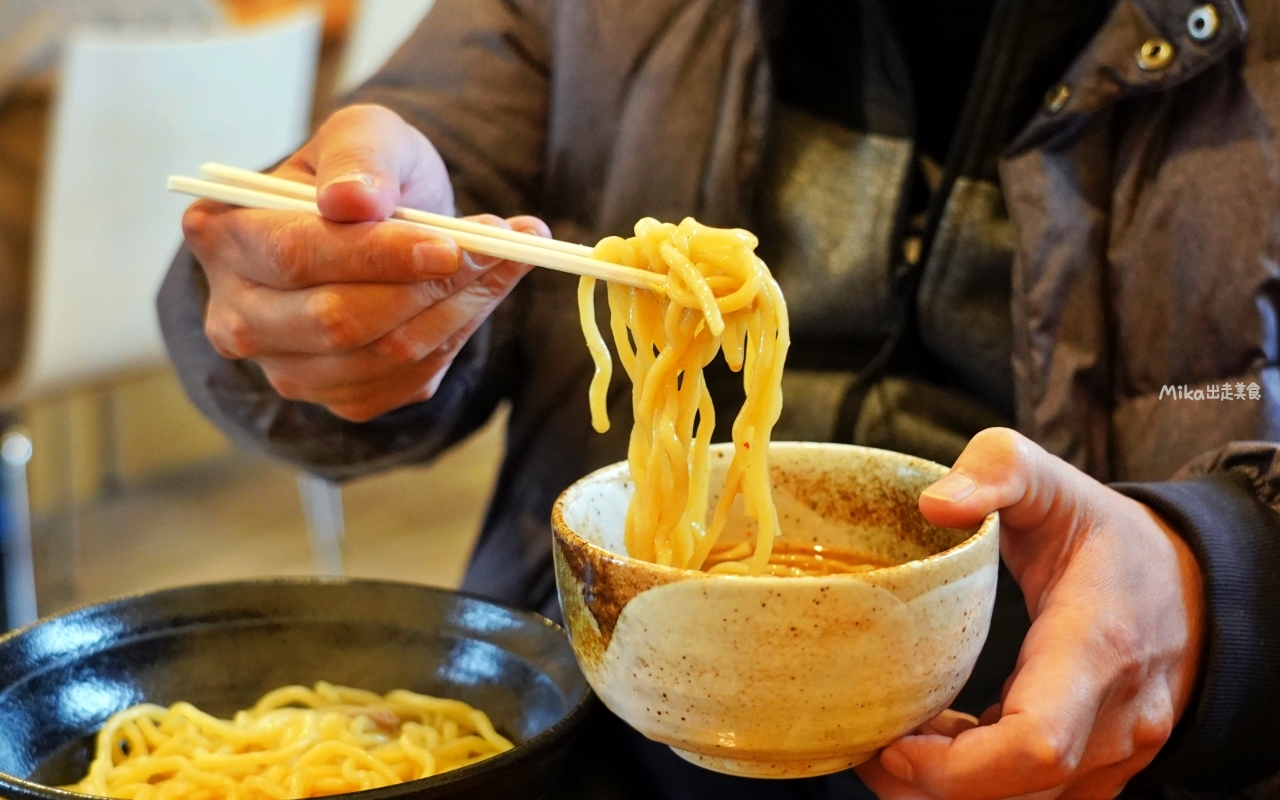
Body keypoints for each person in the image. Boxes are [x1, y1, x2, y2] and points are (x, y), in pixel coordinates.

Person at [160, 0, 1280, 797]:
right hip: (596, 703)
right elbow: (353, 193)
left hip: (1060, 745)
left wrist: (1219, 576)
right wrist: (329, 286)